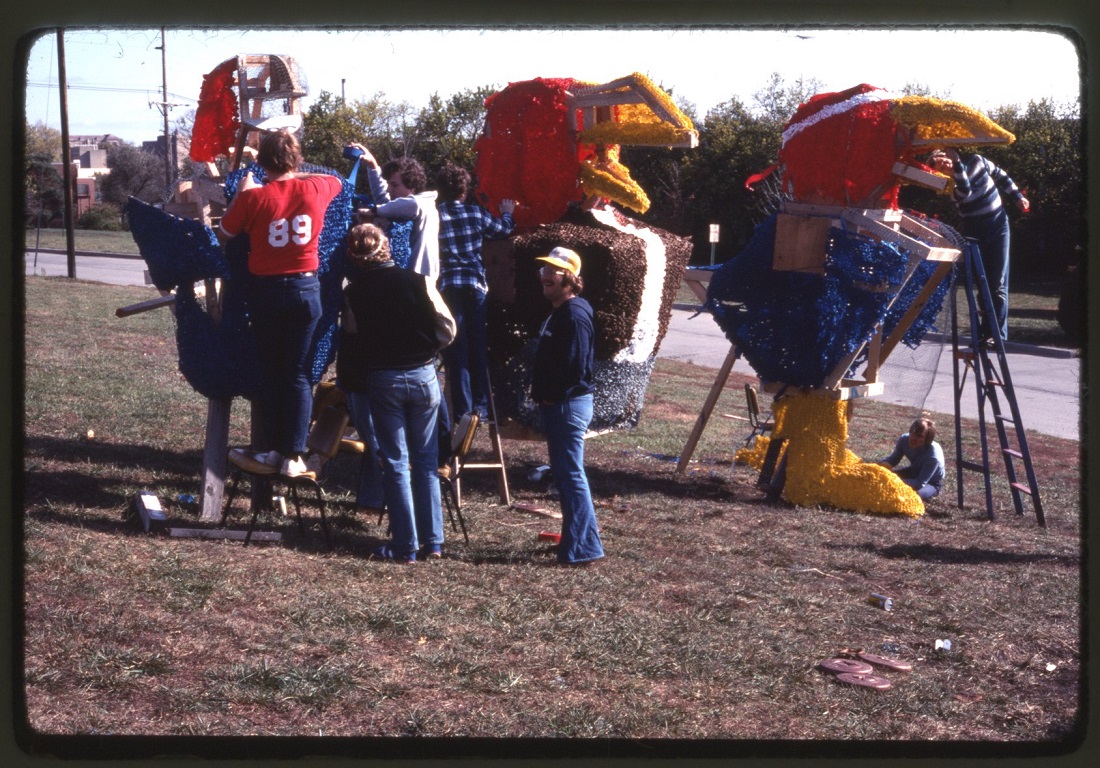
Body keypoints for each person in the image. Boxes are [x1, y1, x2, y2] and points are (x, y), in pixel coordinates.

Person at [219, 129, 342, 478]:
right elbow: (331, 178)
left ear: (260, 162)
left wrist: (247, 191)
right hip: (306, 290)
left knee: (273, 372)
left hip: (267, 292)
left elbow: (224, 234)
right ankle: (292, 453)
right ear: (295, 158)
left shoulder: (253, 198)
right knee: (298, 375)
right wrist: (291, 172)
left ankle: (271, 448)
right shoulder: (317, 188)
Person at [337, 223, 454, 563]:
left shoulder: (354, 293)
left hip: (384, 378)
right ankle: (433, 542)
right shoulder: (418, 280)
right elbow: (448, 328)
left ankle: (405, 544)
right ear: (386, 247)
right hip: (423, 376)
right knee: (427, 461)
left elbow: (353, 336)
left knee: (396, 462)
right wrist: (426, 349)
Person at [531, 247, 605, 566]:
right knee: (566, 476)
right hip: (562, 404)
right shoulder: (561, 310)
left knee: (571, 475)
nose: (546, 274)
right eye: (545, 269)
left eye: (555, 271)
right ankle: (578, 543)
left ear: (571, 279)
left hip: (567, 405)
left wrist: (551, 396)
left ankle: (584, 549)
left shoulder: (574, 315)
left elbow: (577, 369)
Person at [435, 162, 516, 420]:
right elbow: (503, 230)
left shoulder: (434, 216)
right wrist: (507, 213)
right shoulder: (475, 213)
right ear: (463, 190)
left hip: (448, 287)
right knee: (478, 347)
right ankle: (481, 407)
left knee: (456, 349)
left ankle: (462, 411)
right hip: (474, 286)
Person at [930, 149, 1030, 342]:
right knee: (982, 281)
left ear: (946, 155)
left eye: (944, 161)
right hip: (974, 232)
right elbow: (965, 189)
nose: (946, 166)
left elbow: (1001, 175)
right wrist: (957, 162)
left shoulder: (977, 161)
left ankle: (997, 334)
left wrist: (1017, 197)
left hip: (998, 225)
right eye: (941, 168)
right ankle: (985, 330)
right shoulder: (951, 189)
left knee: (998, 282)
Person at [344, 142, 439, 280]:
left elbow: (410, 204)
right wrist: (372, 165)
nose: (389, 189)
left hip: (421, 280)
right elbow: (384, 200)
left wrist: (373, 211)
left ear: (412, 186)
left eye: (394, 185)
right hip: (406, 279)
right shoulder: (400, 206)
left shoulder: (424, 203)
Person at [874, 417, 946, 502]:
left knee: (911, 494)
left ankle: (932, 492)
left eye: (919, 436)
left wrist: (894, 481)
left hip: (930, 482)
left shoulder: (933, 456)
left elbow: (920, 483)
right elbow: (893, 459)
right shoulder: (904, 439)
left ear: (927, 440)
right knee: (882, 478)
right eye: (912, 432)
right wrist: (877, 467)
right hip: (913, 471)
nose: (913, 438)